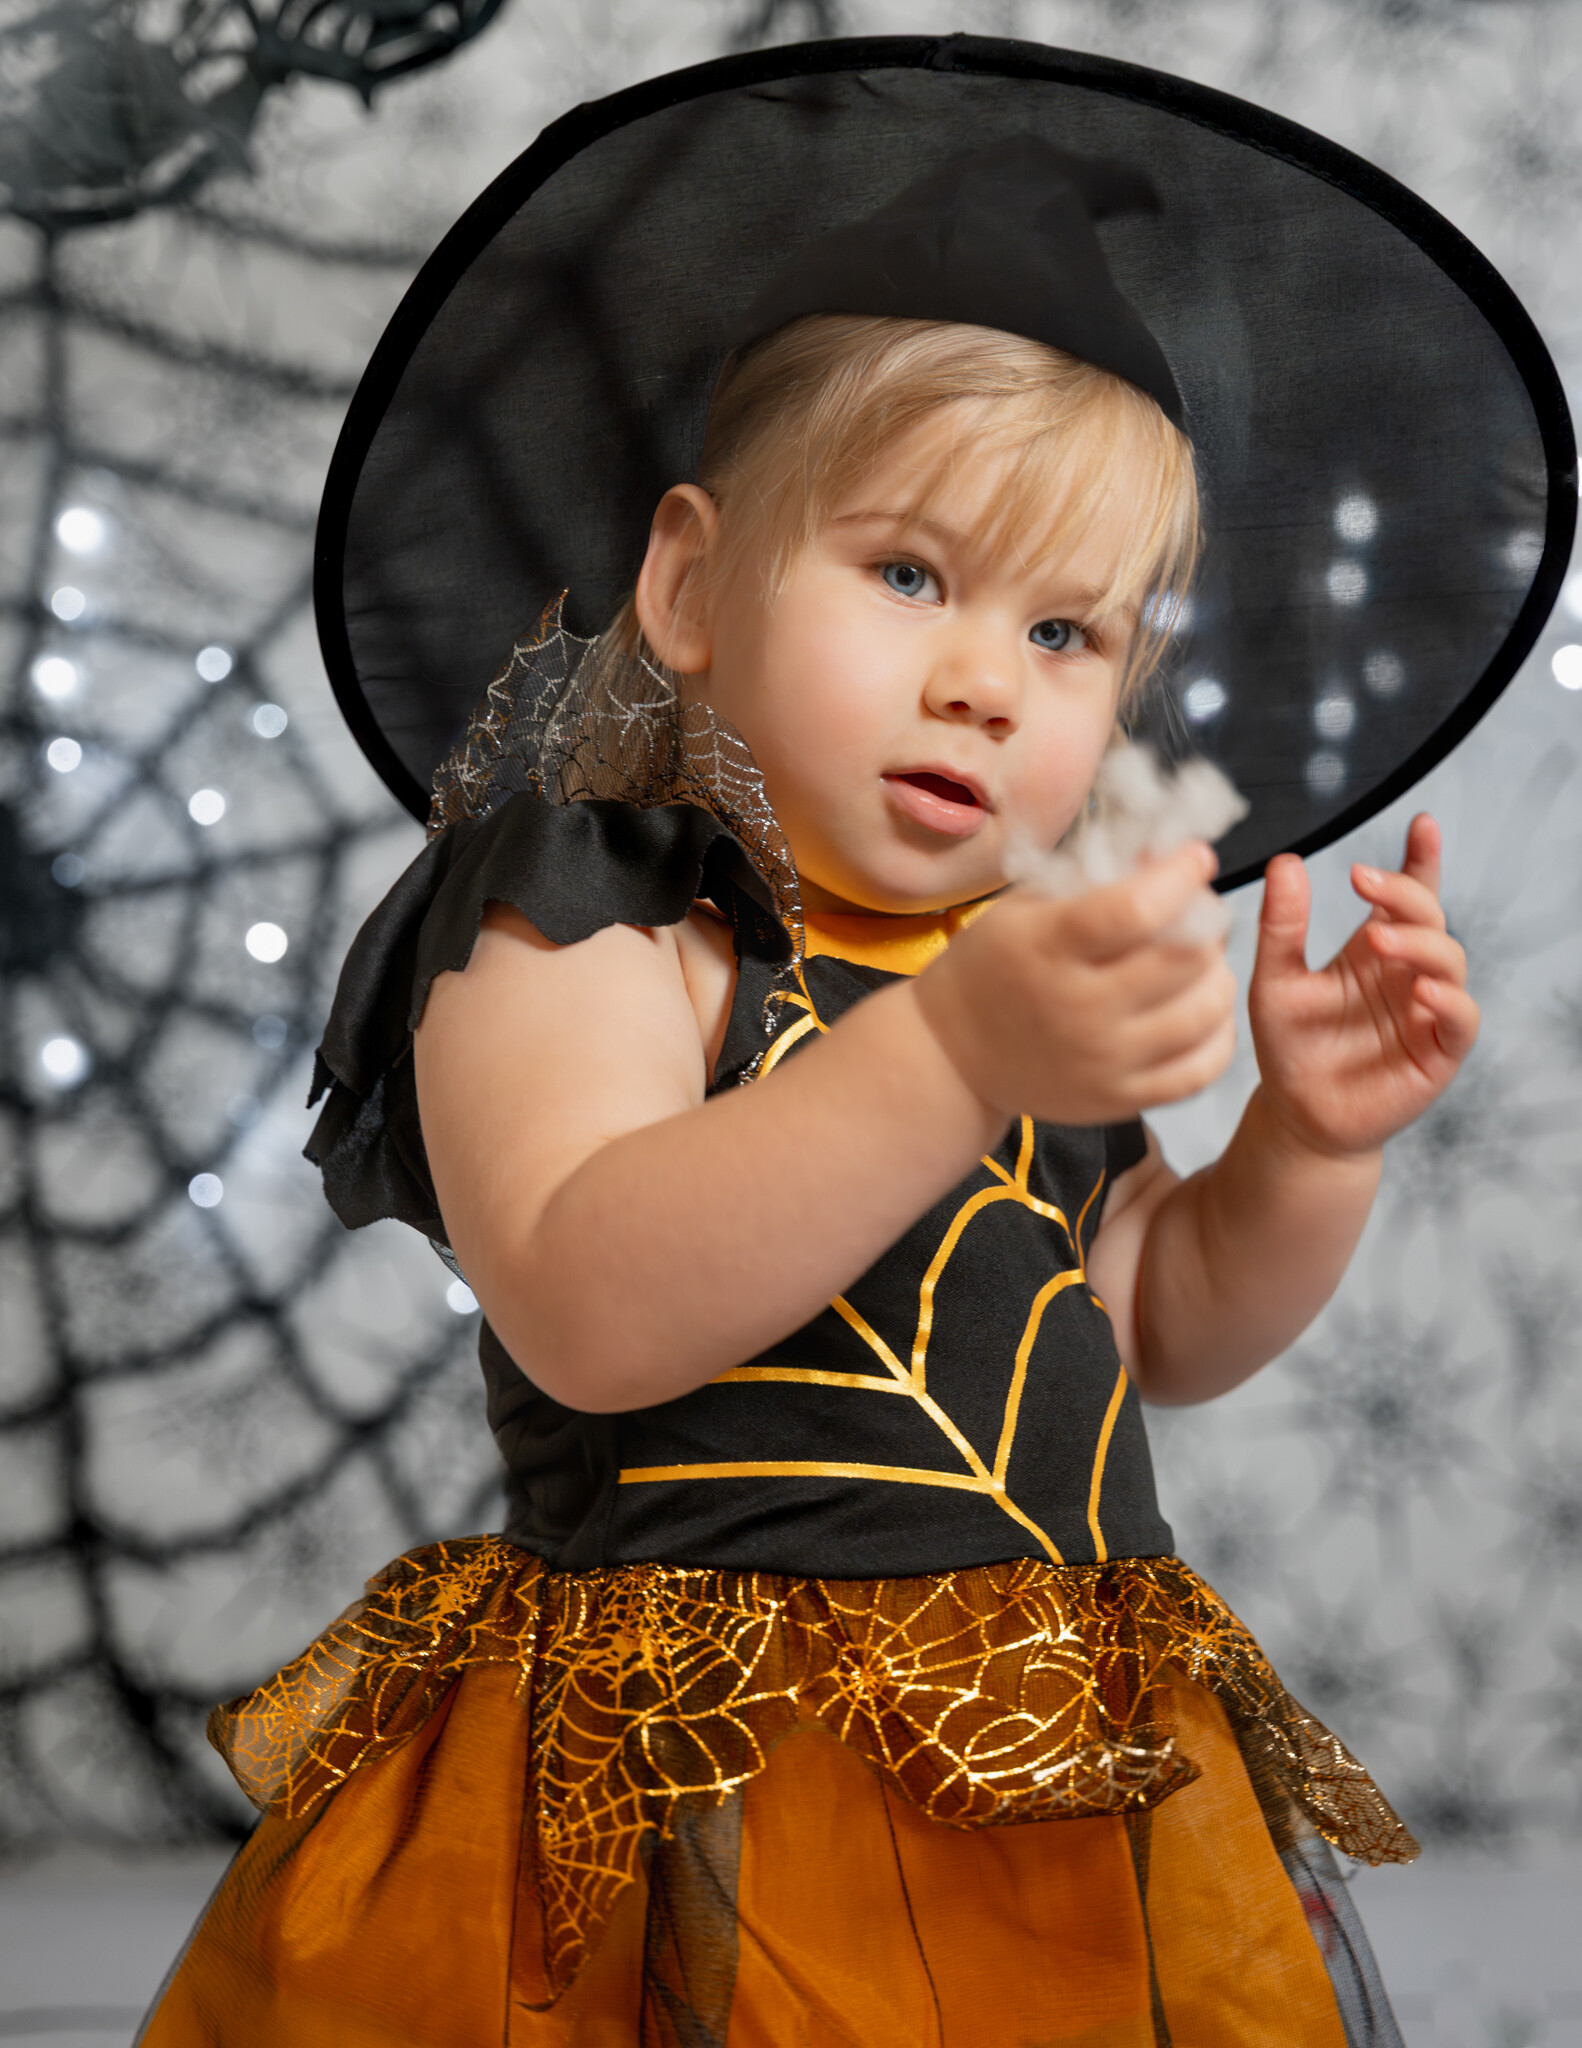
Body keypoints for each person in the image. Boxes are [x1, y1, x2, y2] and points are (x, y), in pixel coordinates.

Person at [138, 42, 1570, 2048]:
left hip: (1045, 1780)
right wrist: (960, 1048)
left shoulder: (1005, 962)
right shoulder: (592, 904)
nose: (985, 679)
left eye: (1067, 634)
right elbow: (588, 1305)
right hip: (688, 1778)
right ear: (688, 580)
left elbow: (1150, 1320)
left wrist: (1305, 1150)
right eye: (907, 573)